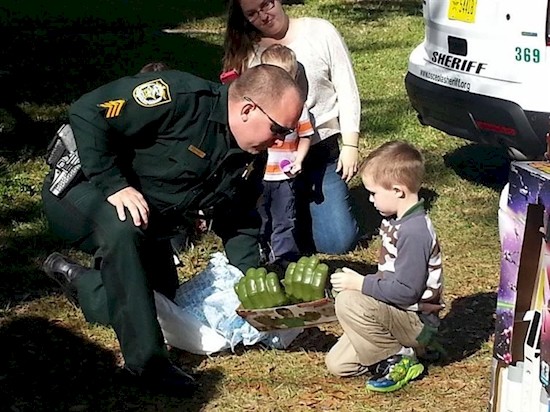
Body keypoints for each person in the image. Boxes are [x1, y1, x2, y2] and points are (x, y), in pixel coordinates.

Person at [40, 64, 303, 394]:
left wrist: (252, 283)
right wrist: (112, 183)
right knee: (123, 229)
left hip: (149, 221)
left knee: (160, 305)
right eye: (279, 129)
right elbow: (88, 110)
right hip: (82, 190)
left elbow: (240, 220)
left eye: (287, 133)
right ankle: (147, 365)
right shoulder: (180, 98)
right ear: (248, 109)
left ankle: (83, 283)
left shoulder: (250, 154)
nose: (281, 140)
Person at [223, 0, 360, 255]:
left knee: (337, 242)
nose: (263, 16)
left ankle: (311, 212)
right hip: (273, 157)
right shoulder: (246, 51)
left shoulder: (320, 32)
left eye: (266, 5)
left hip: (320, 151)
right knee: (270, 222)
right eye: (252, 14)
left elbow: (347, 88)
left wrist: (351, 144)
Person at [325, 141, 444, 393]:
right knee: (338, 364)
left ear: (398, 191)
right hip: (397, 315)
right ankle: (405, 351)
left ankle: (400, 358)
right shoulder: (396, 220)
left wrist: (360, 284)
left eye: (374, 193)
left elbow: (406, 292)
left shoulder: (415, 231)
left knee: (348, 300)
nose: (369, 199)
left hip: (416, 321)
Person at [257, 44, 312, 265]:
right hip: (259, 175)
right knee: (260, 215)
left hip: (283, 174)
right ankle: (260, 249)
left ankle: (283, 255)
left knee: (284, 216)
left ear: (294, 76)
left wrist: (299, 159)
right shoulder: (258, 105)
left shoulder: (298, 108)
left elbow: (306, 136)